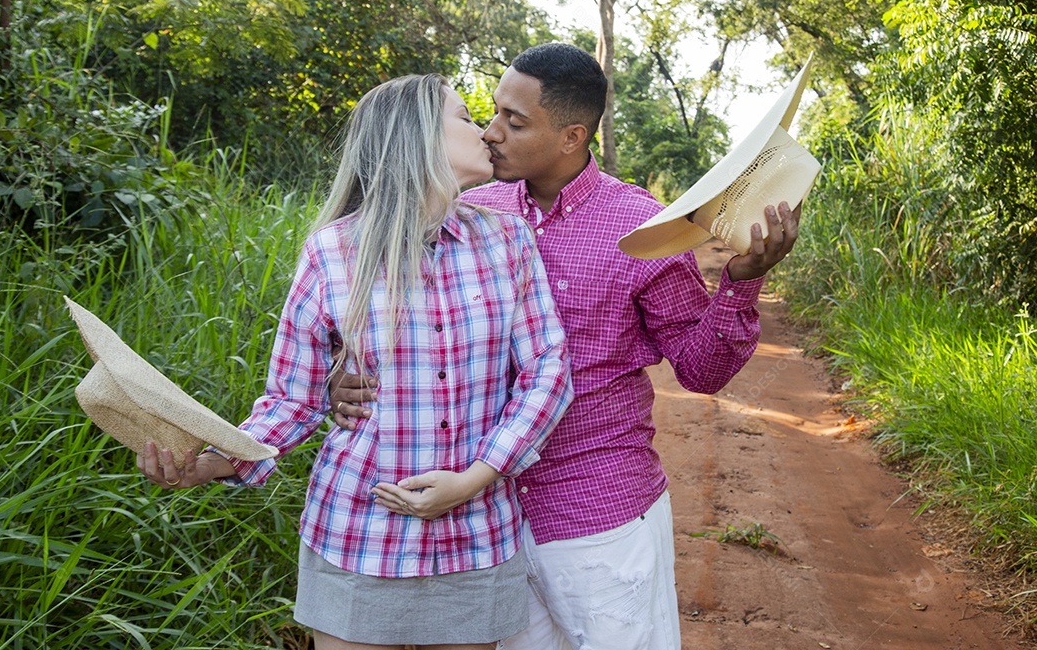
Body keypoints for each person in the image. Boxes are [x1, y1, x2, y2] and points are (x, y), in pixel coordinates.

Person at [330, 45, 801, 650]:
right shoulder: (471, 209)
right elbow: (413, 336)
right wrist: (341, 381)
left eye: (515, 122)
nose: (491, 133)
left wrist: (741, 283)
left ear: (572, 135)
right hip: (483, 522)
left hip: (598, 518)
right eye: (492, 112)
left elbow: (700, 371)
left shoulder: (643, 229)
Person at [137, 73, 573, 650]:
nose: (487, 132)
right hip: (356, 533)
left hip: (475, 534)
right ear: (417, 137)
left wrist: (477, 477)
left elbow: (548, 368)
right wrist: (215, 460)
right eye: (465, 117)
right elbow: (292, 398)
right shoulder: (332, 252)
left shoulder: (507, 240)